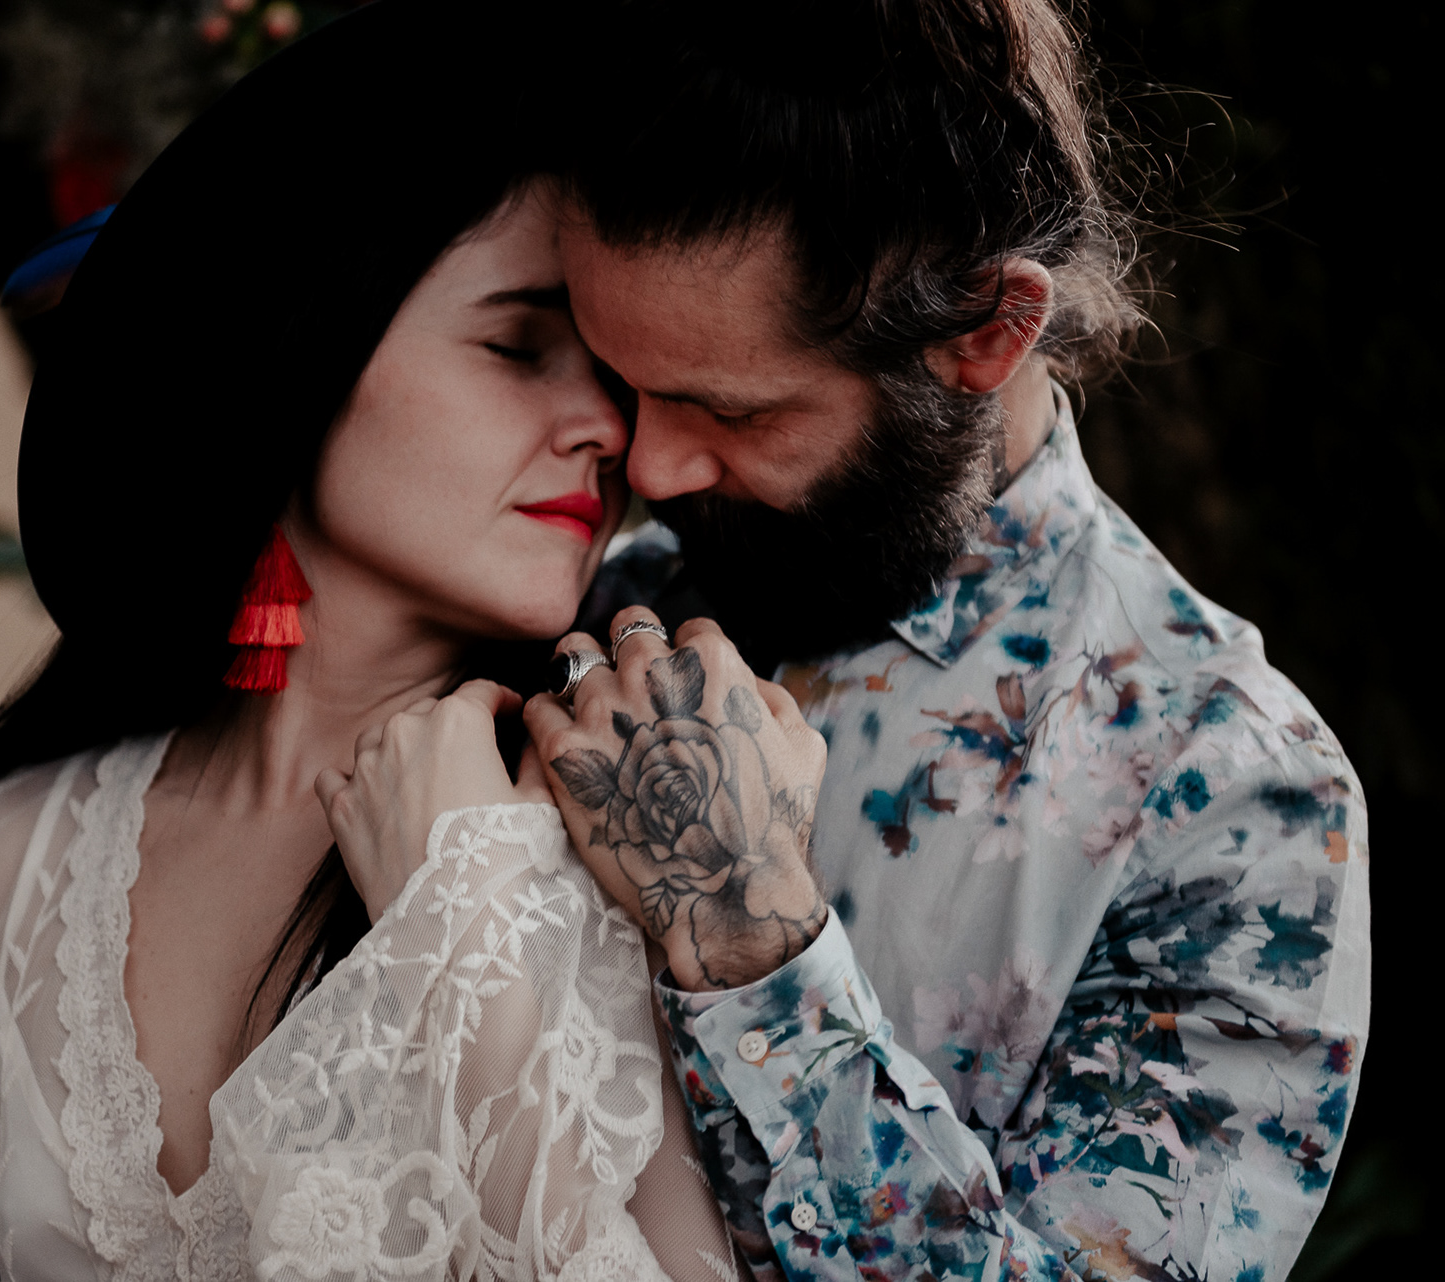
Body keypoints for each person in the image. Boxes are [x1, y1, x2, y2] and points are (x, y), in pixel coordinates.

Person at [0, 5, 741, 1280]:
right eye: (518, 344)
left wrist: (457, 923)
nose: (604, 426)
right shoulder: (1, 866)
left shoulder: (631, 846)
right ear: (299, 349)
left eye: (615, 371)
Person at [513, 2, 1369, 1280]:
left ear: (986, 331)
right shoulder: (604, 601)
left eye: (726, 409)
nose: (646, 463)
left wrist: (758, 957)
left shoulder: (1238, 801)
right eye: (624, 382)